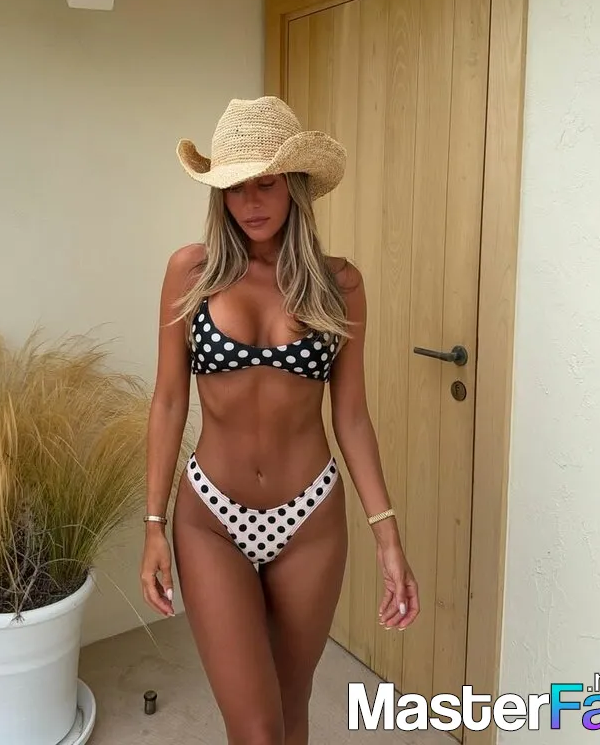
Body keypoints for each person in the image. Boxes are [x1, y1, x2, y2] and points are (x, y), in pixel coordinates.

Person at [140, 96, 419, 745]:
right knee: (258, 729)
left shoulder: (339, 284)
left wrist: (387, 535)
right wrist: (152, 525)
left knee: (292, 713)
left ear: (294, 184)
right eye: (236, 187)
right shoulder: (190, 272)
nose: (251, 202)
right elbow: (168, 401)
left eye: (266, 183)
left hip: (310, 520)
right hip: (211, 519)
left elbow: (352, 416)